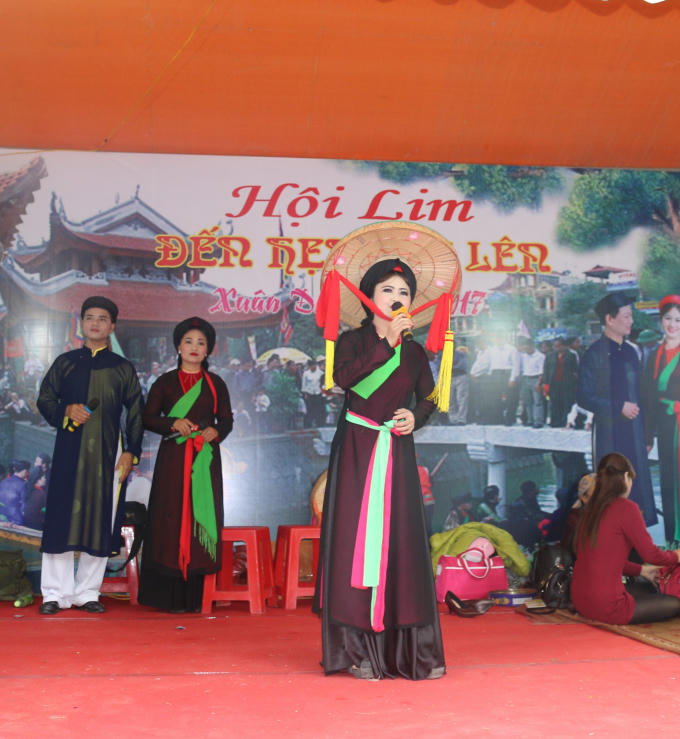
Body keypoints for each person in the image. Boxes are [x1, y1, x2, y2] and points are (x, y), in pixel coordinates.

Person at [313, 255, 446, 681]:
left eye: (404, 292)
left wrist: (415, 418)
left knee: (401, 542)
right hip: (358, 448)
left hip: (397, 453)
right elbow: (345, 379)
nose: (396, 297)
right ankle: (356, 651)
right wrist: (386, 342)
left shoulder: (415, 352)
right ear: (369, 298)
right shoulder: (352, 341)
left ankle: (411, 653)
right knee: (355, 543)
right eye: (387, 290)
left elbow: (429, 398)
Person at [36, 296, 144, 615]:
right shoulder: (65, 362)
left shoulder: (123, 368)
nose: (95, 323)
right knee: (61, 517)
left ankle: (87, 592)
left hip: (109, 453)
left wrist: (131, 452)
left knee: (101, 517)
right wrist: (65, 410)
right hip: (68, 449)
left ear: (112, 326)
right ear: (82, 323)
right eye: (90, 318)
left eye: (102, 319)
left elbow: (136, 411)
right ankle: (54, 593)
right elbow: (44, 398)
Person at [138, 317, 233, 613]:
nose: (194, 347)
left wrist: (215, 431)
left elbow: (227, 420)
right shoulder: (164, 382)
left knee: (198, 515)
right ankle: (165, 594)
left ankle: (197, 594)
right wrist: (172, 423)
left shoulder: (215, 384)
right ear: (178, 347)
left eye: (201, 343)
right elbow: (148, 418)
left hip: (204, 459)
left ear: (208, 350)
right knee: (170, 517)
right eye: (188, 341)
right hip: (173, 460)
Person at [577, 293, 657, 527]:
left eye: (631, 316)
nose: (631, 321)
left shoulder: (632, 352)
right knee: (612, 489)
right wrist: (618, 407)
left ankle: (637, 541)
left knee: (637, 488)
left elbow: (643, 395)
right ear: (610, 320)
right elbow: (584, 397)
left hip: (634, 431)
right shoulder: (593, 354)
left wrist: (647, 434)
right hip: (609, 434)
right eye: (626, 316)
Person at [571, 453, 680, 625]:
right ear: (627, 477)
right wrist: (676, 555)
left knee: (646, 591)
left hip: (580, 601)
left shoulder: (590, 510)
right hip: (606, 606)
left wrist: (642, 571)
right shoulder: (627, 508)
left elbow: (601, 560)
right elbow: (651, 555)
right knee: (675, 604)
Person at [643, 295, 680, 544]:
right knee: (667, 481)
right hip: (666, 426)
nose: (672, 325)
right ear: (661, 320)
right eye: (668, 318)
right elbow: (648, 398)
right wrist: (647, 436)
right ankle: (672, 541)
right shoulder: (654, 354)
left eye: (678, 320)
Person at [543, 337, 578, 428]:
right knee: (554, 403)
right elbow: (546, 370)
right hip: (553, 382)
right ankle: (555, 421)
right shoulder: (550, 356)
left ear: (563, 346)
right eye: (555, 346)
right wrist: (546, 384)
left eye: (558, 346)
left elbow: (575, 370)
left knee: (566, 402)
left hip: (566, 383)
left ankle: (565, 421)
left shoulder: (571, 355)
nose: (556, 348)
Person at [0, 459, 30, 524]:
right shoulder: (23, 485)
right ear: (25, 471)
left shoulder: (3, 481)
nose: (28, 473)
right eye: (28, 471)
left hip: (1, 519)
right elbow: (23, 506)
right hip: (14, 521)